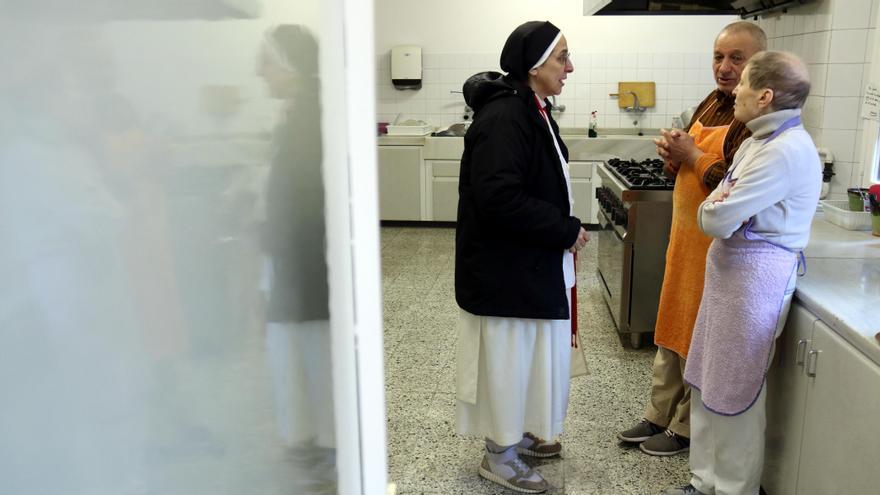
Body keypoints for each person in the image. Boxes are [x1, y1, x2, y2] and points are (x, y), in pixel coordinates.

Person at [661, 50, 820, 495]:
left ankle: (732, 488)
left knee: (735, 393)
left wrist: (719, 205)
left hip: (755, 283)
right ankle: (703, 481)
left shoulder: (785, 151)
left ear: (765, 96)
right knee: (711, 382)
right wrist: (721, 205)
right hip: (729, 275)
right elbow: (721, 206)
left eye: (745, 83)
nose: (737, 92)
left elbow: (713, 217)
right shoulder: (755, 141)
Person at [617, 21, 766, 457]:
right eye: (718, 57)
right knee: (670, 329)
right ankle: (657, 413)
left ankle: (684, 426)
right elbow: (690, 170)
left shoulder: (752, 118)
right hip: (683, 244)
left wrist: (692, 155)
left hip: (715, 252)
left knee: (697, 340)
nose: (724, 67)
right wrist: (672, 158)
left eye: (736, 58)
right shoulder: (712, 102)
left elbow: (733, 187)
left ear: (757, 63)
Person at [455, 20, 588, 494]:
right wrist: (564, 230)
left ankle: (521, 432)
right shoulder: (506, 117)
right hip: (504, 273)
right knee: (510, 360)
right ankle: (500, 456)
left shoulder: (531, 107)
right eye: (562, 58)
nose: (569, 67)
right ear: (534, 67)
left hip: (527, 265)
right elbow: (498, 197)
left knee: (530, 354)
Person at [256, 25, 336, 493]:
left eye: (265, 62)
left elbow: (304, 202)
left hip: (304, 266)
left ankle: (324, 444)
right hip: (294, 264)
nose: (259, 73)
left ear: (287, 64)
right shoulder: (298, 111)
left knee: (313, 355)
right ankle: (312, 441)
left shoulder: (309, 114)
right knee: (300, 353)